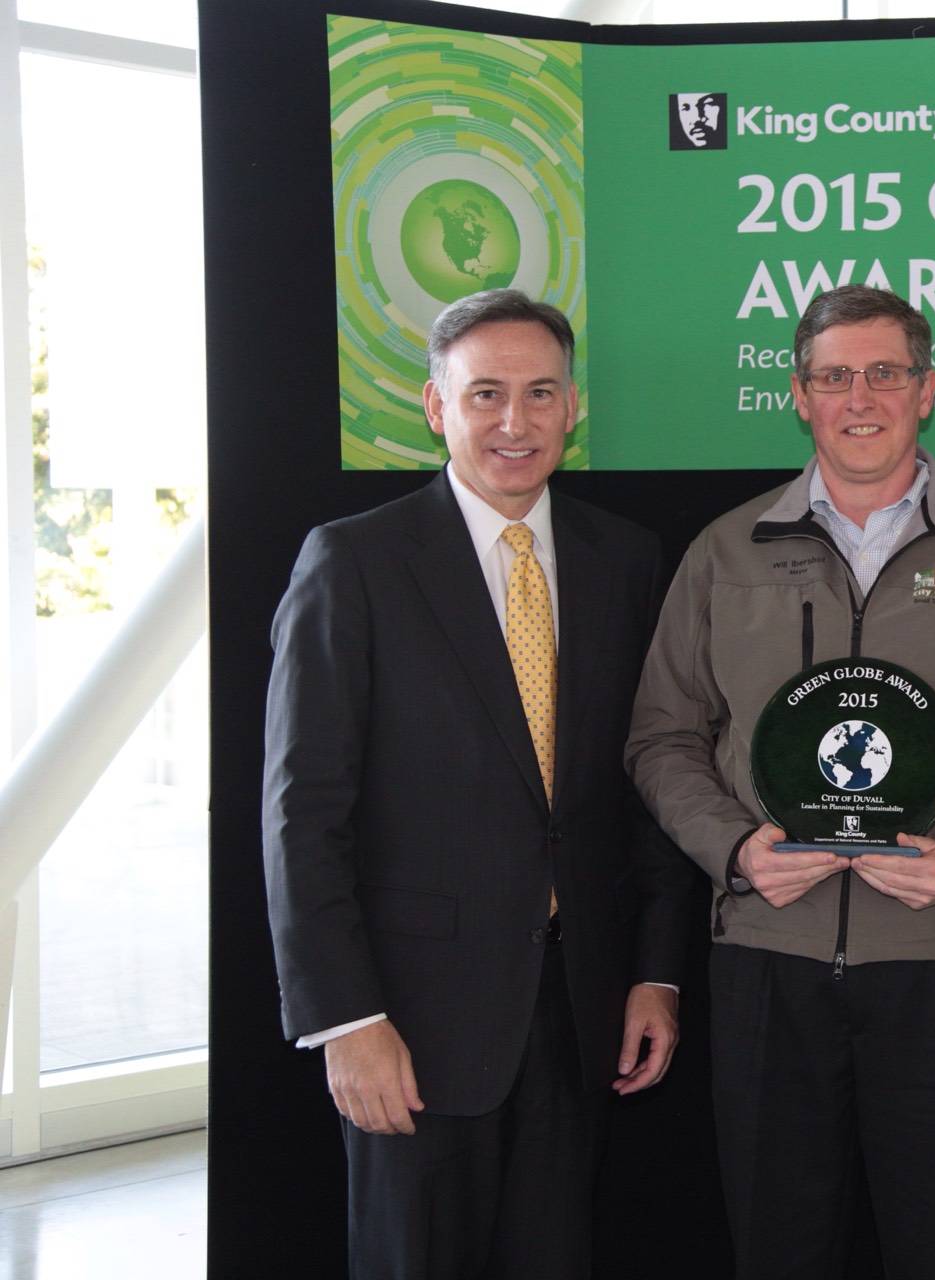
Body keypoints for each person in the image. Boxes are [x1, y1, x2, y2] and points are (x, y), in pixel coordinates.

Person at [627, 284, 935, 1280]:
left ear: (927, 390)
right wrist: (735, 850)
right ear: (798, 394)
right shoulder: (726, 551)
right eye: (835, 375)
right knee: (777, 1248)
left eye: (885, 373)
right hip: (768, 954)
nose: (860, 397)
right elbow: (662, 737)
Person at [262, 289, 688, 1279]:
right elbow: (301, 813)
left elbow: (652, 778)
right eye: (485, 392)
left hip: (580, 1015)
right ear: (435, 406)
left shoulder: (625, 561)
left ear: (572, 407)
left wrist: (655, 972)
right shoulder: (354, 562)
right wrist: (346, 1019)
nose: (515, 420)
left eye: (541, 393)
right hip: (409, 1026)